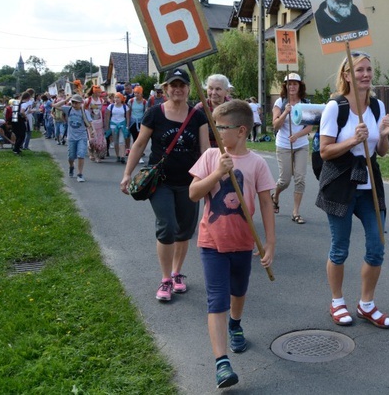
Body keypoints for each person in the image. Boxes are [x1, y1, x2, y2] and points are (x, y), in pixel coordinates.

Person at [189, 99, 276, 389]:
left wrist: (270, 243)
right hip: (211, 242)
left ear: (240, 131)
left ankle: (236, 324)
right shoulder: (212, 156)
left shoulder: (257, 163)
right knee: (217, 299)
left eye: (220, 127)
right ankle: (221, 363)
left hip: (243, 243)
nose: (215, 132)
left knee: (239, 291)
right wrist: (217, 174)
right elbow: (193, 193)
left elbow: (266, 202)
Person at [316, 51, 389, 329]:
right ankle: (337, 301)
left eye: (369, 69)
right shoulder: (335, 107)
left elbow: (381, 153)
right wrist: (351, 140)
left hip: (370, 184)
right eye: (358, 70)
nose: (365, 74)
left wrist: (384, 136)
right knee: (340, 248)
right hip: (340, 183)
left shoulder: (377, 106)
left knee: (377, 246)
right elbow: (325, 151)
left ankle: (367, 304)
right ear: (346, 75)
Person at [119, 68, 210, 302]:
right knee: (167, 226)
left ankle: (177, 272)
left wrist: (209, 179)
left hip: (190, 182)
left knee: (184, 231)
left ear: (189, 88)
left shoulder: (198, 116)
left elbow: (204, 150)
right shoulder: (154, 114)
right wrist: (127, 174)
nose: (177, 89)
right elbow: (139, 145)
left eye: (182, 85)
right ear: (165, 89)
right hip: (160, 182)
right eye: (173, 85)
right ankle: (165, 279)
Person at [271, 73, 313, 224]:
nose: (292, 86)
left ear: (300, 86)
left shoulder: (305, 103)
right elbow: (275, 125)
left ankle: (295, 212)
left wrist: (297, 135)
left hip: (301, 144)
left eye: (295, 83)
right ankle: (275, 196)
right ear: (285, 86)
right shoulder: (280, 103)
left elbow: (309, 126)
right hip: (283, 145)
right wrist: (285, 112)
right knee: (285, 180)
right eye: (289, 84)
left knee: (300, 179)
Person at [59, 93, 93, 182]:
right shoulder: (68, 109)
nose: (74, 104)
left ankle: (80, 174)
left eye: (76, 103)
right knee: (71, 157)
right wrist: (66, 100)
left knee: (81, 155)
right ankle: (71, 166)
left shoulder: (84, 112)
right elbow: (54, 105)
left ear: (80, 103)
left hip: (82, 136)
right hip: (71, 137)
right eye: (73, 102)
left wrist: (92, 132)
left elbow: (90, 123)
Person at [195, 74, 233, 149]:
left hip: (229, 153)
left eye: (218, 89)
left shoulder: (234, 109)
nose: (213, 93)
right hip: (205, 154)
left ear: (227, 91)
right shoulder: (199, 109)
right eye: (210, 88)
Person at [106, 92, 130, 163]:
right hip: (113, 125)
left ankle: (122, 156)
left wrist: (127, 126)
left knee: (121, 141)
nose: (116, 99)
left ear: (121, 99)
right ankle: (118, 156)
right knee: (116, 142)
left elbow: (127, 117)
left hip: (122, 125)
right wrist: (107, 126)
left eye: (118, 97)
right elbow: (107, 116)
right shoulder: (111, 106)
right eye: (115, 97)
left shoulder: (125, 107)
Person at [86, 85, 107, 162]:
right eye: (98, 92)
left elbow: (100, 111)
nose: (100, 94)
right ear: (94, 92)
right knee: (92, 140)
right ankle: (91, 152)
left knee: (99, 141)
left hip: (99, 123)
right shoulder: (88, 100)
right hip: (91, 123)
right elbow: (84, 110)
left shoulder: (101, 100)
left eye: (100, 92)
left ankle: (97, 156)